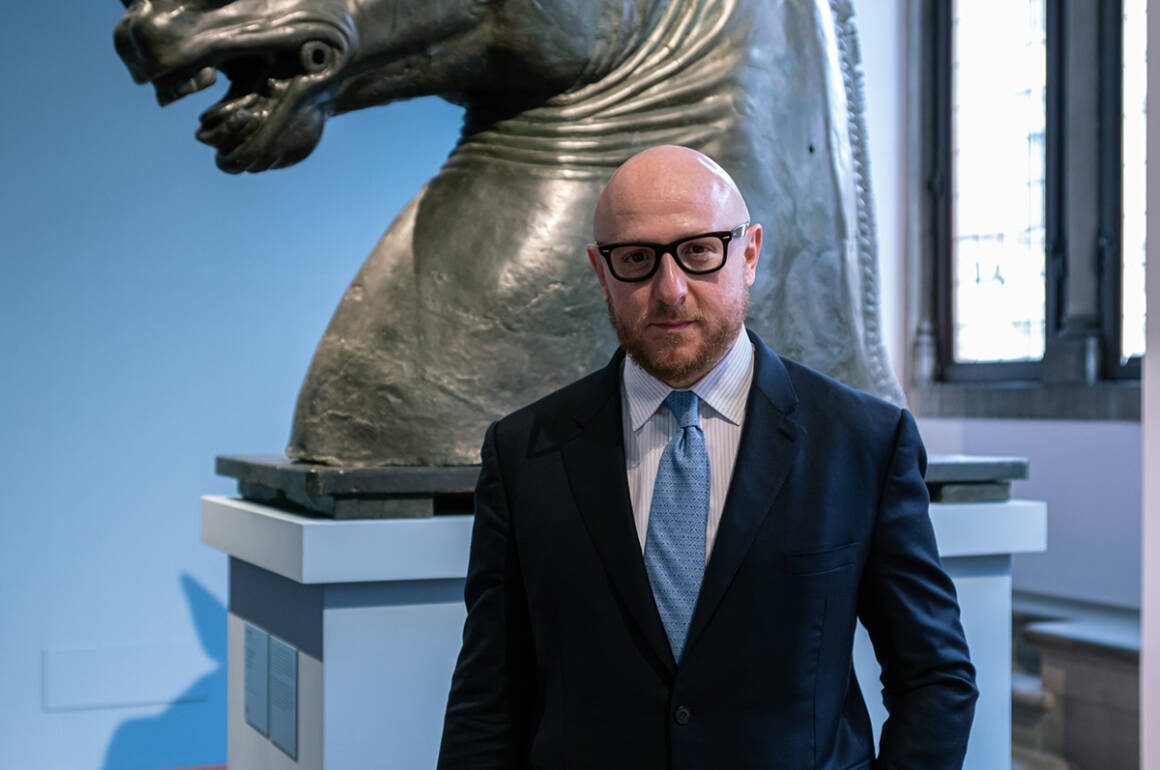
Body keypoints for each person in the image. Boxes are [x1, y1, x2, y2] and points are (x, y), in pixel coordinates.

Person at [437, 145, 977, 769]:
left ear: (749, 254)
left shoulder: (863, 441)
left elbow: (935, 678)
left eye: (698, 251)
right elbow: (488, 699)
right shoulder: (524, 454)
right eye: (636, 259)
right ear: (600, 271)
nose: (670, 290)